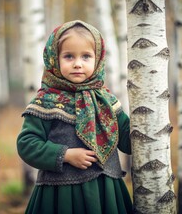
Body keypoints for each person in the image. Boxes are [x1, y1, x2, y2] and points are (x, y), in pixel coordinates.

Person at [17, 20, 132, 214]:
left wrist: (150, 122)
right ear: (54, 58)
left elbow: (128, 141)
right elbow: (27, 144)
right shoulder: (46, 100)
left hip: (106, 192)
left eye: (86, 56)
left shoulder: (107, 100)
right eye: (69, 56)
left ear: (98, 60)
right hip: (60, 195)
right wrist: (65, 155)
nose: (78, 64)